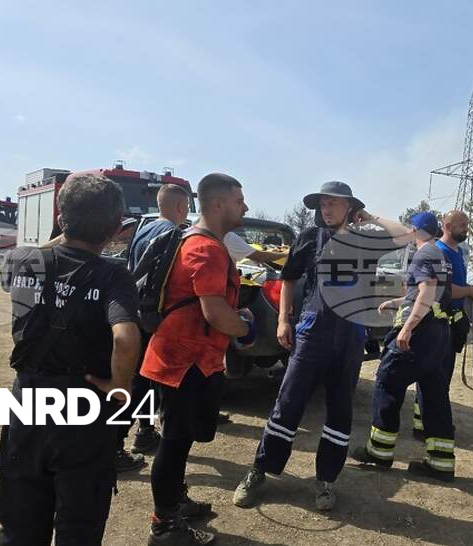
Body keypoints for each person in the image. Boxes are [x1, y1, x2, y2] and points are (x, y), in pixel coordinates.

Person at [233, 181, 404, 512]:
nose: (326, 210)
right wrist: (283, 320)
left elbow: (403, 234)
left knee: (340, 409)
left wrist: (369, 216)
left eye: (333, 204)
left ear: (349, 207)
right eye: (322, 204)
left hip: (350, 336)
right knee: (288, 403)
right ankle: (260, 470)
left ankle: (326, 480)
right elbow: (288, 278)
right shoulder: (310, 238)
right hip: (313, 331)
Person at [0, 174, 142, 545]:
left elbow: (40, 254)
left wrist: (66, 229)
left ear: (61, 218)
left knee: (19, 522)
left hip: (27, 399)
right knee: (80, 525)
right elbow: (125, 337)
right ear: (115, 228)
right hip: (83, 404)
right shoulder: (114, 276)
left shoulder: (23, 260)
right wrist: (120, 386)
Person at [140, 173, 252, 546]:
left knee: (181, 440)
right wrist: (245, 329)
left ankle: (175, 501)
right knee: (173, 443)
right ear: (218, 204)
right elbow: (215, 313)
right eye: (239, 201)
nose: (245, 207)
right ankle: (164, 526)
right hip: (183, 362)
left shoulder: (199, 242)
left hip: (189, 359)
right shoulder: (206, 249)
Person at [351, 212, 458, 481]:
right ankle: (441, 462)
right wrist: (396, 302)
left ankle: (379, 452)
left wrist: (408, 327)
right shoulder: (440, 256)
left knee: (388, 381)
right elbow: (426, 294)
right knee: (434, 394)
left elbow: (427, 291)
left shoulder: (423, 255)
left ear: (415, 230)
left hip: (420, 334)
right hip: (438, 334)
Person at [117, 183, 192, 465]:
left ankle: (145, 431)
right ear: (180, 207)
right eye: (187, 207)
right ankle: (115, 443)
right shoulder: (172, 234)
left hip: (134, 310)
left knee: (145, 381)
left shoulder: (143, 229)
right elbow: (162, 280)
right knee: (140, 383)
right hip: (152, 318)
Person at [412, 210, 473, 438]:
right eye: (462, 225)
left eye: (466, 225)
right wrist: (470, 291)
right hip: (437, 324)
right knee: (433, 378)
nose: (466, 229)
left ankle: (428, 422)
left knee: (441, 378)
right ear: (447, 226)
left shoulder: (457, 253)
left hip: (452, 325)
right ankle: (427, 426)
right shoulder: (439, 252)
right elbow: (445, 290)